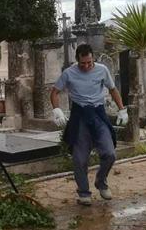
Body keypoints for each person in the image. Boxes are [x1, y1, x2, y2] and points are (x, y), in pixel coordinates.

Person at [50, 44, 128, 206]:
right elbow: (54, 92)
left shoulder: (102, 70)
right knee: (79, 158)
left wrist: (122, 109)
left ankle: (101, 182)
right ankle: (84, 192)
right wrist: (56, 109)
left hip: (98, 114)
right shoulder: (69, 73)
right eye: (82, 63)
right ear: (77, 60)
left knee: (109, 153)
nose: (86, 66)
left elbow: (113, 89)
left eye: (89, 63)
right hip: (80, 116)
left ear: (93, 59)